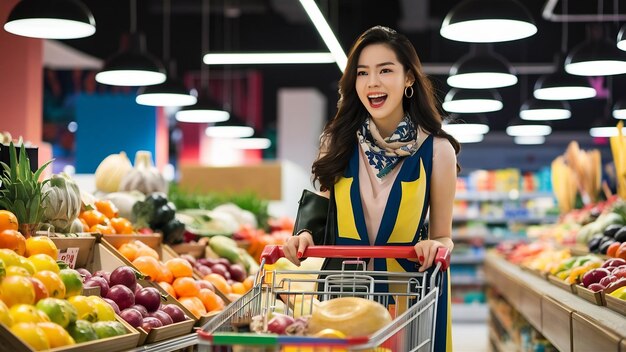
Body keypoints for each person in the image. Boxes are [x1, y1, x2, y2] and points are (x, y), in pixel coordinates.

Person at [282, 25, 460, 352]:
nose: (372, 82)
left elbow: (443, 235)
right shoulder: (337, 144)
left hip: (408, 297)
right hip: (342, 297)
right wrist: (303, 234)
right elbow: (321, 210)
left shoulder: (437, 150)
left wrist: (435, 246)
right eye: (363, 73)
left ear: (409, 79)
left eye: (385, 70)